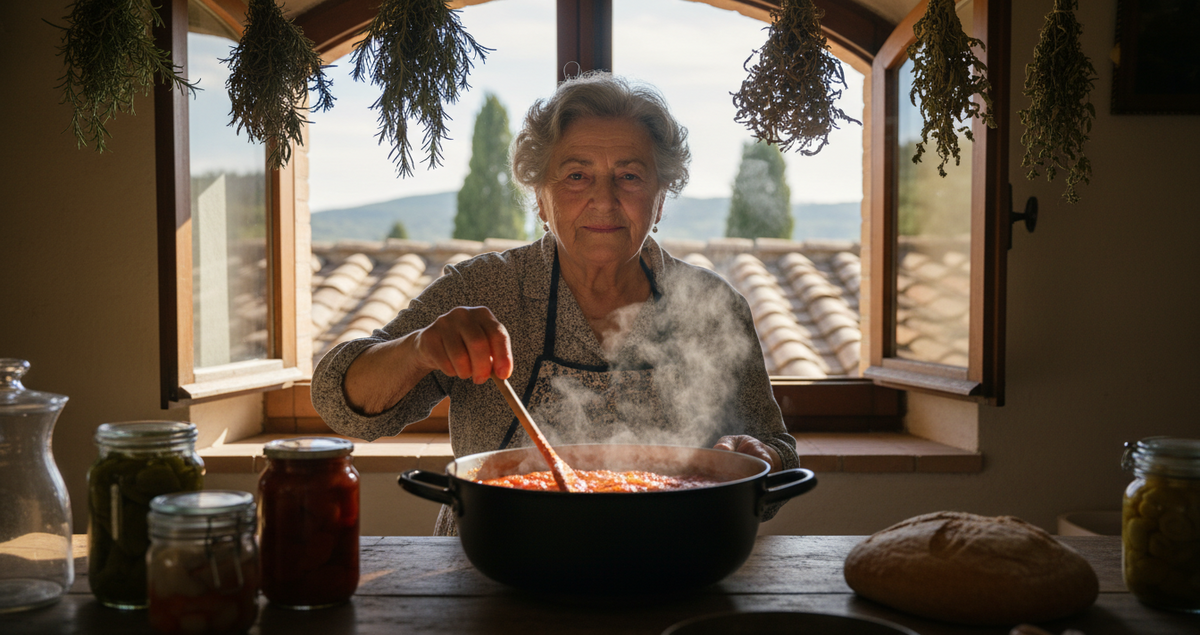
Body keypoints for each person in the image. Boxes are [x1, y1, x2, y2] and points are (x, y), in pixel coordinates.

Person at [311, 72, 799, 535]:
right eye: (576, 176)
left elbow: (774, 454)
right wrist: (418, 348)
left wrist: (762, 456)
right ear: (540, 200)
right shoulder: (486, 288)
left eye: (629, 176)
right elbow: (341, 404)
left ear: (660, 197)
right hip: (495, 560)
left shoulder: (712, 305)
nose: (604, 200)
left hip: (669, 559)